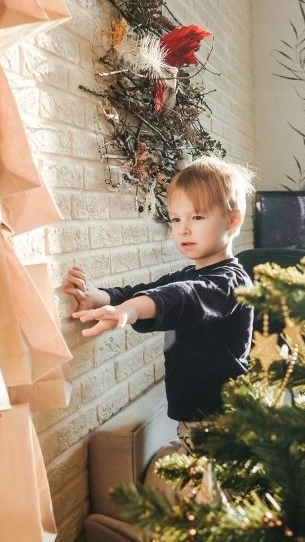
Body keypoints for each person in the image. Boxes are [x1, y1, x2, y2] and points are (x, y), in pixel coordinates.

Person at [63, 156, 256, 448]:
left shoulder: (232, 281)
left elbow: (185, 297)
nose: (183, 229)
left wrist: (129, 310)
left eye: (197, 217)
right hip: (194, 419)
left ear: (233, 220)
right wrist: (100, 297)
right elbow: (149, 289)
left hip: (224, 421)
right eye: (176, 219)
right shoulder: (189, 274)